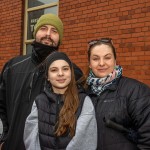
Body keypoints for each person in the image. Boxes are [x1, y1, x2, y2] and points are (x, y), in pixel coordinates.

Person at [0, 13, 83, 150]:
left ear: (60, 38)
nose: (48, 34)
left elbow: (80, 115)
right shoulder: (12, 66)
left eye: (54, 31)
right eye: (43, 28)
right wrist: (3, 139)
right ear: (35, 32)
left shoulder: (73, 73)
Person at [84, 38, 150, 150]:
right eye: (95, 59)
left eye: (107, 57)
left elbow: (147, 138)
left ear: (115, 61)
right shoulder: (82, 93)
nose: (101, 63)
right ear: (89, 64)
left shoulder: (135, 91)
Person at [23, 51, 97, 150]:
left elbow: (85, 142)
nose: (60, 74)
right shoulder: (40, 101)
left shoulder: (83, 101)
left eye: (65, 69)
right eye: (54, 70)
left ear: (71, 72)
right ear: (47, 77)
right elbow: (31, 139)